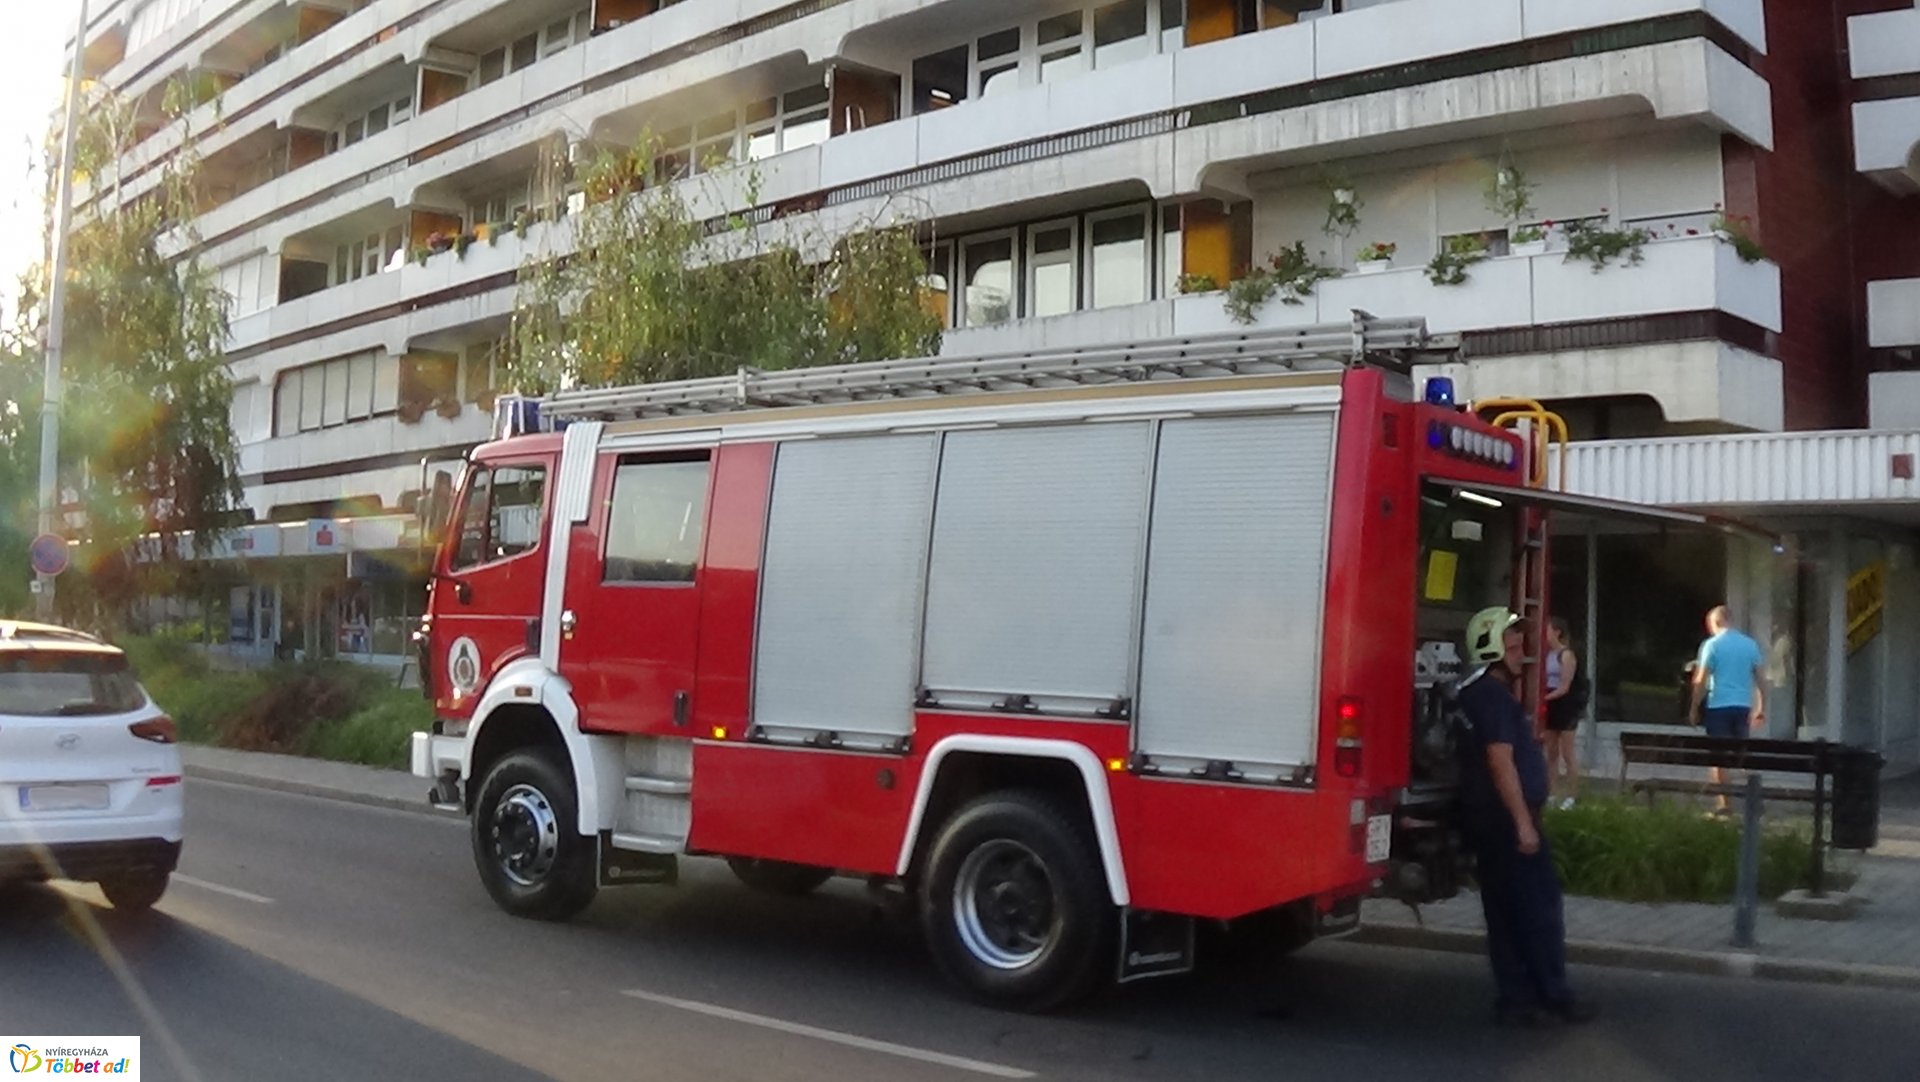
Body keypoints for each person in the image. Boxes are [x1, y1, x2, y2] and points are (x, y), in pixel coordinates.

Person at [1454, 607, 1597, 1028]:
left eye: (1520, 643)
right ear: (1491, 649)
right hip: (1508, 821)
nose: (1521, 651)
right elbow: (1500, 761)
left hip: (1488, 820)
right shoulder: (1494, 698)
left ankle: (1516, 1001)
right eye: (1512, 645)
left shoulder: (1473, 695)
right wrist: (1523, 823)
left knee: (1504, 914)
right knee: (1538, 912)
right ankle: (1554, 996)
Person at [1689, 605, 1767, 814]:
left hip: (1718, 706)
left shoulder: (1712, 645)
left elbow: (1700, 680)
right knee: (1740, 755)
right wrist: (1761, 707)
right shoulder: (1750, 645)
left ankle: (1725, 806)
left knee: (1718, 758)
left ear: (1715, 623)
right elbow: (1761, 679)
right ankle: (1754, 796)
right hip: (1742, 706)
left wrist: (1693, 708)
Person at [1542, 618, 1589, 809]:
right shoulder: (1548, 654)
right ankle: (1552, 793)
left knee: (1567, 752)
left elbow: (1564, 686)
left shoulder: (1566, 655)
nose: (1546, 634)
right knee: (1551, 752)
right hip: (1551, 702)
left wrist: (1544, 699)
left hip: (1565, 703)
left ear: (1557, 632)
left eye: (1548, 630)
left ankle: (1572, 795)